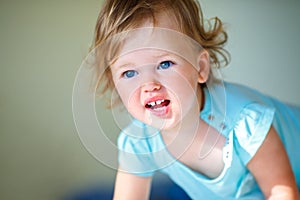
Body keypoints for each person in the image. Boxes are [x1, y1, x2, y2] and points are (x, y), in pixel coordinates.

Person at [90, 0, 300, 199]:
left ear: (200, 68)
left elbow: (281, 193)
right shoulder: (138, 143)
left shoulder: (245, 125)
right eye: (129, 73)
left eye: (164, 64)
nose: (149, 85)